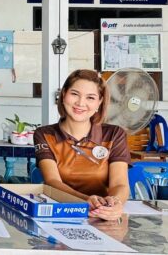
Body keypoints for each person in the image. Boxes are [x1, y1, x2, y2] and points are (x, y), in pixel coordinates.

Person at [34, 69, 130, 221]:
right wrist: (85, 200)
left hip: (103, 214)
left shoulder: (114, 134)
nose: (80, 103)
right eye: (74, 94)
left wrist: (116, 202)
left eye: (90, 97)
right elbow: (52, 181)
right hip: (60, 212)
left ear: (99, 102)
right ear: (64, 94)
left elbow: (119, 183)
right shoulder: (44, 134)